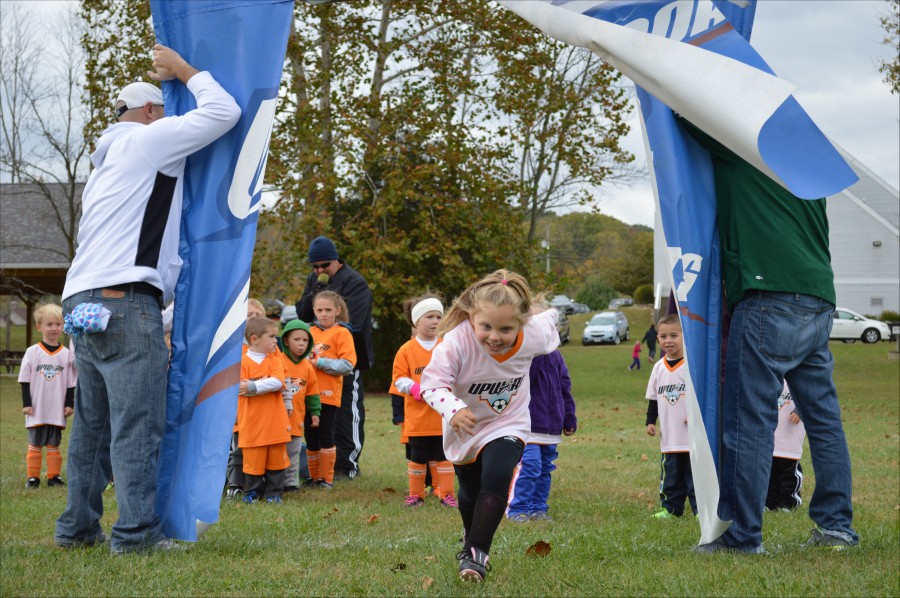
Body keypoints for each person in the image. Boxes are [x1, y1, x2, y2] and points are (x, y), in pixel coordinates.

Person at [55, 44, 240, 553]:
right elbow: (225, 112)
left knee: (91, 429)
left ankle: (77, 530)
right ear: (153, 111)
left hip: (81, 303)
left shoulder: (103, 164)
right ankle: (135, 536)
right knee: (137, 426)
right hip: (123, 301)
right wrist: (184, 70)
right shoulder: (150, 140)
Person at [678, 117, 859, 553]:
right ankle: (837, 528)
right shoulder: (808, 173)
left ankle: (743, 536)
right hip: (818, 299)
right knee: (824, 421)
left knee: (749, 421)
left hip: (767, 297)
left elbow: (687, 116)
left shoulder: (743, 150)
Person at [420, 269, 559, 583]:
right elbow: (431, 385)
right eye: (485, 326)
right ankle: (471, 537)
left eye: (506, 328)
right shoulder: (456, 343)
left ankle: (477, 555)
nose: (495, 337)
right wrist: (453, 409)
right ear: (471, 317)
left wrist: (540, 311)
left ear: (521, 323)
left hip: (509, 422)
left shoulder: (534, 333)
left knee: (497, 475)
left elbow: (551, 318)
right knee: (469, 493)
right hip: (464, 426)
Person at [295, 236, 373, 480]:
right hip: (317, 361)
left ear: (337, 260)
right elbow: (302, 315)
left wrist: (331, 354)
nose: (320, 270)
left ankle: (347, 464)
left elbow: (354, 324)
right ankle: (320, 468)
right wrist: (314, 293)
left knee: (347, 410)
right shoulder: (314, 279)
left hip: (346, 358)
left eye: (324, 265)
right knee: (321, 414)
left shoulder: (354, 282)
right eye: (315, 267)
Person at [506, 302, 576, 523]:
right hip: (528, 424)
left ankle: (538, 508)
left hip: (551, 426)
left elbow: (564, 387)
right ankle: (517, 509)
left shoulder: (556, 357)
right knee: (530, 465)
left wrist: (569, 416)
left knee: (545, 468)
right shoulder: (525, 356)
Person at [389, 294, 457, 508]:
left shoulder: (446, 346)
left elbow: (457, 373)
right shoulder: (406, 350)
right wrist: (416, 388)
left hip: (442, 417)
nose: (435, 321)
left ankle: (446, 493)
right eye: (429, 316)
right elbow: (398, 379)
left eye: (438, 316)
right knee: (417, 458)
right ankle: (415, 494)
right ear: (416, 321)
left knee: (444, 457)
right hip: (417, 419)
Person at [19, 304, 77, 490]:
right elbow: (24, 379)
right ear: (39, 327)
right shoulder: (32, 352)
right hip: (37, 407)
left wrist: (69, 404)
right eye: (49, 324)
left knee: (54, 444)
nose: (54, 328)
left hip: (57, 408)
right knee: (35, 442)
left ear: (63, 327)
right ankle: (33, 477)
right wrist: (26, 403)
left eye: (58, 324)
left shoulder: (67, 355)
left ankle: (54, 477)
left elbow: (70, 383)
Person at [644, 314, 696, 519]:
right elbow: (653, 398)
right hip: (670, 437)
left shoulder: (692, 365)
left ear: (684, 336)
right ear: (657, 339)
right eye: (663, 336)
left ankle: (700, 510)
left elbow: (702, 397)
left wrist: (694, 416)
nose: (668, 341)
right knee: (670, 475)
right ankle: (670, 508)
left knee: (695, 476)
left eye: (674, 335)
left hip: (692, 437)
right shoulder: (658, 368)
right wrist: (650, 421)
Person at [306, 291, 356, 489]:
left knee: (325, 435)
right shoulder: (309, 332)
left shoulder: (342, 333)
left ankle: (326, 479)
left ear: (338, 310)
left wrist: (319, 363)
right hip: (307, 395)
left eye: (328, 310)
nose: (324, 314)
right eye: (319, 310)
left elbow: (347, 365)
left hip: (327, 395)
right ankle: (313, 477)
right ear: (314, 311)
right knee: (310, 436)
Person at [238, 317, 290, 504]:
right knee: (253, 461)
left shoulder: (275, 360)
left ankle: (274, 493)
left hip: (275, 423)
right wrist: (258, 386)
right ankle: (252, 492)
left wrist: (253, 387)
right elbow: (239, 387)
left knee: (276, 461)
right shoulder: (241, 361)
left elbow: (277, 382)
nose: (276, 341)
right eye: (272, 337)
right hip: (251, 423)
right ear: (254, 339)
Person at [226, 298, 268, 499]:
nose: (253, 318)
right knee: (238, 448)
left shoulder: (271, 349)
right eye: (248, 315)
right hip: (239, 407)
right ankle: (234, 484)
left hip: (263, 409)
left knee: (260, 448)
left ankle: (259, 484)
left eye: (257, 315)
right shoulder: (235, 348)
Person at [279, 319, 321, 491]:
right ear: (286, 341)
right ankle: (274, 482)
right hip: (277, 420)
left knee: (294, 451)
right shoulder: (278, 361)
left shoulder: (307, 367)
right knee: (277, 452)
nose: (301, 344)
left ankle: (290, 483)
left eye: (305, 340)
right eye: (297, 340)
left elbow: (312, 392)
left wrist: (315, 413)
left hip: (297, 419)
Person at [767, 381, 805, 512]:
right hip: (770, 433)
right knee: (769, 471)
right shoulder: (770, 373)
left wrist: (799, 410)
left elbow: (808, 394)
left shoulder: (798, 374)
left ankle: (789, 502)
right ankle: (769, 502)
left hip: (790, 434)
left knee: (788, 470)